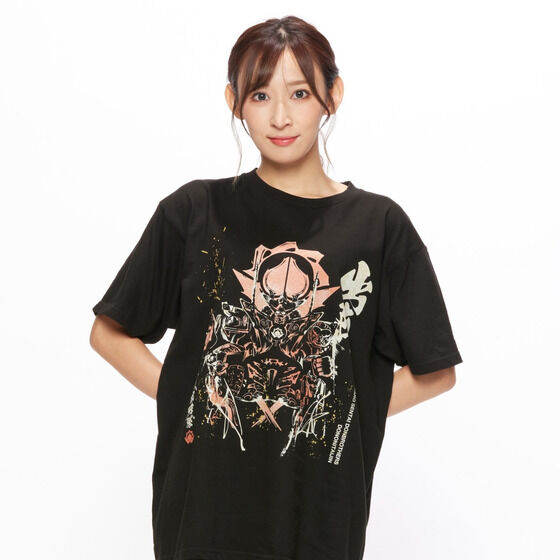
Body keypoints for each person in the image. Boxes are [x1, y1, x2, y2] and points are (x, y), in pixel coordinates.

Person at [90, 14, 463, 560]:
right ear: (234, 102)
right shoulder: (194, 211)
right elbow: (109, 333)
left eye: (300, 93)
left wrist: (341, 405)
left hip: (318, 520)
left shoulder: (379, 227)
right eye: (260, 95)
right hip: (201, 515)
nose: (281, 116)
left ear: (333, 95)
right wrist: (191, 391)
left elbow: (436, 370)